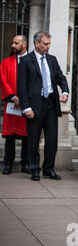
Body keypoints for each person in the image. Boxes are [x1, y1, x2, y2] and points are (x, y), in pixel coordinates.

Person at [17, 31, 69, 181]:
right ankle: (34, 168)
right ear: (37, 43)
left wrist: (65, 91)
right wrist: (26, 108)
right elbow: (22, 87)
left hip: (51, 104)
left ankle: (48, 169)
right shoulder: (26, 61)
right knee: (33, 140)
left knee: (52, 140)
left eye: (49, 44)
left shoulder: (52, 60)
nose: (48, 47)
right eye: (45, 44)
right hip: (34, 106)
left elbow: (61, 77)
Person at [0, 35, 29, 175]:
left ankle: (26, 163)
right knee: (10, 135)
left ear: (24, 44)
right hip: (12, 104)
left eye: (16, 43)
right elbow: (3, 80)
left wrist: (23, 99)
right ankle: (8, 164)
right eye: (12, 42)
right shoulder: (6, 62)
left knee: (27, 135)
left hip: (27, 104)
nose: (13, 45)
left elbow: (36, 82)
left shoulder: (33, 61)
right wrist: (12, 97)